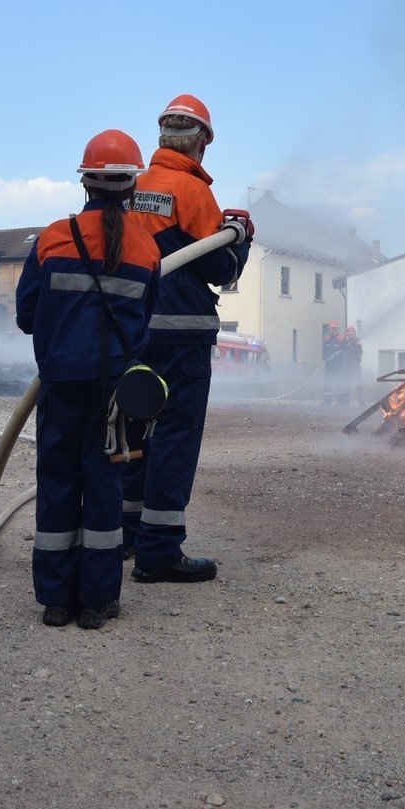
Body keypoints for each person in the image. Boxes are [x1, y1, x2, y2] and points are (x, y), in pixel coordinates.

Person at [16, 130, 161, 629]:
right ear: (131, 186)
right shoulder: (146, 249)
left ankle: (56, 600)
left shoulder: (52, 239)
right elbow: (143, 325)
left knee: (57, 483)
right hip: (115, 397)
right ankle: (98, 602)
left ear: (86, 182)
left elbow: (26, 315)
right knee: (103, 488)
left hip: (60, 386)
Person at [122, 93, 253, 583]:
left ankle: (127, 534)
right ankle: (159, 552)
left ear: (162, 136)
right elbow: (217, 267)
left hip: (132, 333)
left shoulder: (134, 185)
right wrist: (239, 237)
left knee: (131, 431)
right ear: (202, 142)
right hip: (182, 338)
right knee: (175, 435)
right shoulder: (194, 193)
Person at [341, 325, 365, 408]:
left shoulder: (358, 345)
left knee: (358, 386)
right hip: (347, 368)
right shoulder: (345, 344)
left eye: (352, 334)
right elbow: (342, 353)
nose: (351, 336)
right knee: (346, 386)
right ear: (347, 336)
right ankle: (345, 402)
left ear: (354, 335)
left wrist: (354, 346)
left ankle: (361, 403)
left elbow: (359, 354)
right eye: (349, 335)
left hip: (356, 368)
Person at [322, 321, 343, 405]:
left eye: (334, 329)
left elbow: (343, 352)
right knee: (327, 383)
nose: (332, 331)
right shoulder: (327, 340)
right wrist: (325, 358)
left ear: (337, 329)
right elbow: (324, 352)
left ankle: (340, 402)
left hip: (338, 366)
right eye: (330, 329)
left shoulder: (341, 339)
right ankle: (327, 402)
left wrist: (337, 357)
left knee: (339, 384)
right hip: (328, 366)